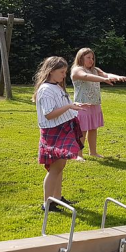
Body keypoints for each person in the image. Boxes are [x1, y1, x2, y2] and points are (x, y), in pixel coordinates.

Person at [32, 56, 87, 212]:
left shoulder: (56, 86)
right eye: (62, 72)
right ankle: (47, 203)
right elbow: (49, 114)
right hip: (54, 130)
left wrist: (72, 105)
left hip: (63, 127)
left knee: (60, 165)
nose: (64, 75)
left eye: (65, 72)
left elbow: (60, 105)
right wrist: (69, 106)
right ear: (51, 71)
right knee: (55, 168)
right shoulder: (46, 89)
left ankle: (57, 197)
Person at [71, 48, 126, 160]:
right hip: (82, 106)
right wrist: (103, 79)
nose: (91, 60)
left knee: (93, 129)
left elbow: (106, 74)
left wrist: (116, 77)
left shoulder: (95, 70)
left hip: (95, 105)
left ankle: (93, 152)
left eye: (92, 58)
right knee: (82, 130)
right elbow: (86, 76)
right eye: (88, 58)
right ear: (81, 58)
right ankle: (78, 154)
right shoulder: (77, 70)